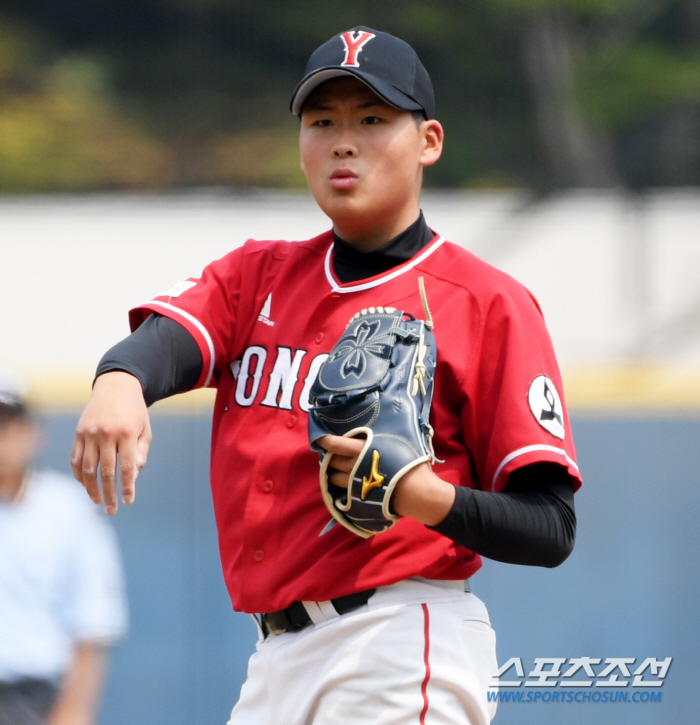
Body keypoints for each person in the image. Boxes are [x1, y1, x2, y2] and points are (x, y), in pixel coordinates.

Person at [71, 27, 581, 724]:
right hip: (274, 662)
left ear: (428, 141)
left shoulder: (485, 302)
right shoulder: (256, 276)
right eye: (322, 121)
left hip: (399, 642)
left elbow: (550, 526)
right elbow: (163, 345)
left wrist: (423, 495)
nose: (344, 141)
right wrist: (120, 379)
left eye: (372, 119)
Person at [0, 373, 128, 725]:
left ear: (33, 430)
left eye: (9, 422)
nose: (3, 435)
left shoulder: (67, 510)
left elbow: (93, 622)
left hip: (33, 701)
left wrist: (73, 714)